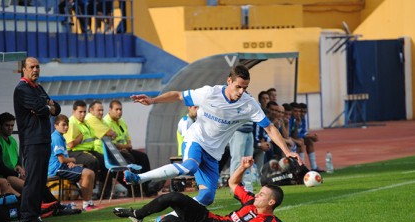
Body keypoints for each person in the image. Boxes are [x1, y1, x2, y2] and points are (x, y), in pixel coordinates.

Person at [126, 64, 301, 206]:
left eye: (245, 88)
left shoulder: (249, 104)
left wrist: (286, 151)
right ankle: (139, 178)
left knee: (207, 197)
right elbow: (178, 95)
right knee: (189, 167)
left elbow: (269, 128)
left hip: (213, 152)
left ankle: (165, 220)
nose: (241, 91)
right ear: (229, 81)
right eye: (238, 86)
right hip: (196, 139)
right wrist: (152, 101)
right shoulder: (209, 93)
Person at [113, 156, 325, 222]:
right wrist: (243, 167)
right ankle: (137, 214)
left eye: (262, 195)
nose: (257, 194)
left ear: (271, 203)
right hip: (208, 219)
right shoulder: (250, 202)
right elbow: (233, 183)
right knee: (174, 197)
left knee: (169, 221)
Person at [14, 57, 61, 222]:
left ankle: (35, 214)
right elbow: (44, 109)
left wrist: (47, 107)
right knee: (33, 179)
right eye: (32, 67)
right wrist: (47, 107)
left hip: (43, 139)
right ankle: (27, 216)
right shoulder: (22, 89)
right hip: (32, 140)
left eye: (37, 66)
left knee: (41, 179)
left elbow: (56, 108)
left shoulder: (38, 88)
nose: (35, 69)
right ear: (24, 70)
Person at [49, 115, 96, 210]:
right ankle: (86, 204)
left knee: (91, 173)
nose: (66, 127)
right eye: (63, 125)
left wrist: (69, 162)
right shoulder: (56, 138)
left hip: (62, 166)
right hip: (57, 168)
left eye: (67, 125)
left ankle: (89, 202)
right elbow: (61, 160)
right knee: (88, 173)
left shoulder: (60, 137)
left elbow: (63, 158)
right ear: (56, 125)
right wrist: (73, 160)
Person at [64, 100, 104, 196]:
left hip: (87, 150)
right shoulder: (72, 123)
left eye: (84, 112)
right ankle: (89, 191)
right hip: (74, 152)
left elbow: (93, 137)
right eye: (80, 112)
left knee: (103, 161)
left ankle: (103, 192)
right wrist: (81, 136)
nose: (83, 114)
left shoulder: (85, 122)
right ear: (74, 112)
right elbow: (70, 144)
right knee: (92, 161)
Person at [289, 102, 323, 172]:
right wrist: (307, 136)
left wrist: (310, 136)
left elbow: (303, 131)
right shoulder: (291, 119)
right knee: (300, 142)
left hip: (294, 138)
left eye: (305, 112)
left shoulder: (302, 119)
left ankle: (314, 167)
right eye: (301, 111)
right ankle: (302, 167)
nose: (302, 114)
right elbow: (291, 135)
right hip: (290, 139)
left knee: (309, 141)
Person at [229, 122, 254, 191]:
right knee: (237, 160)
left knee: (248, 161)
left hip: (249, 128)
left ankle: (247, 186)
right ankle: (235, 187)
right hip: (237, 129)